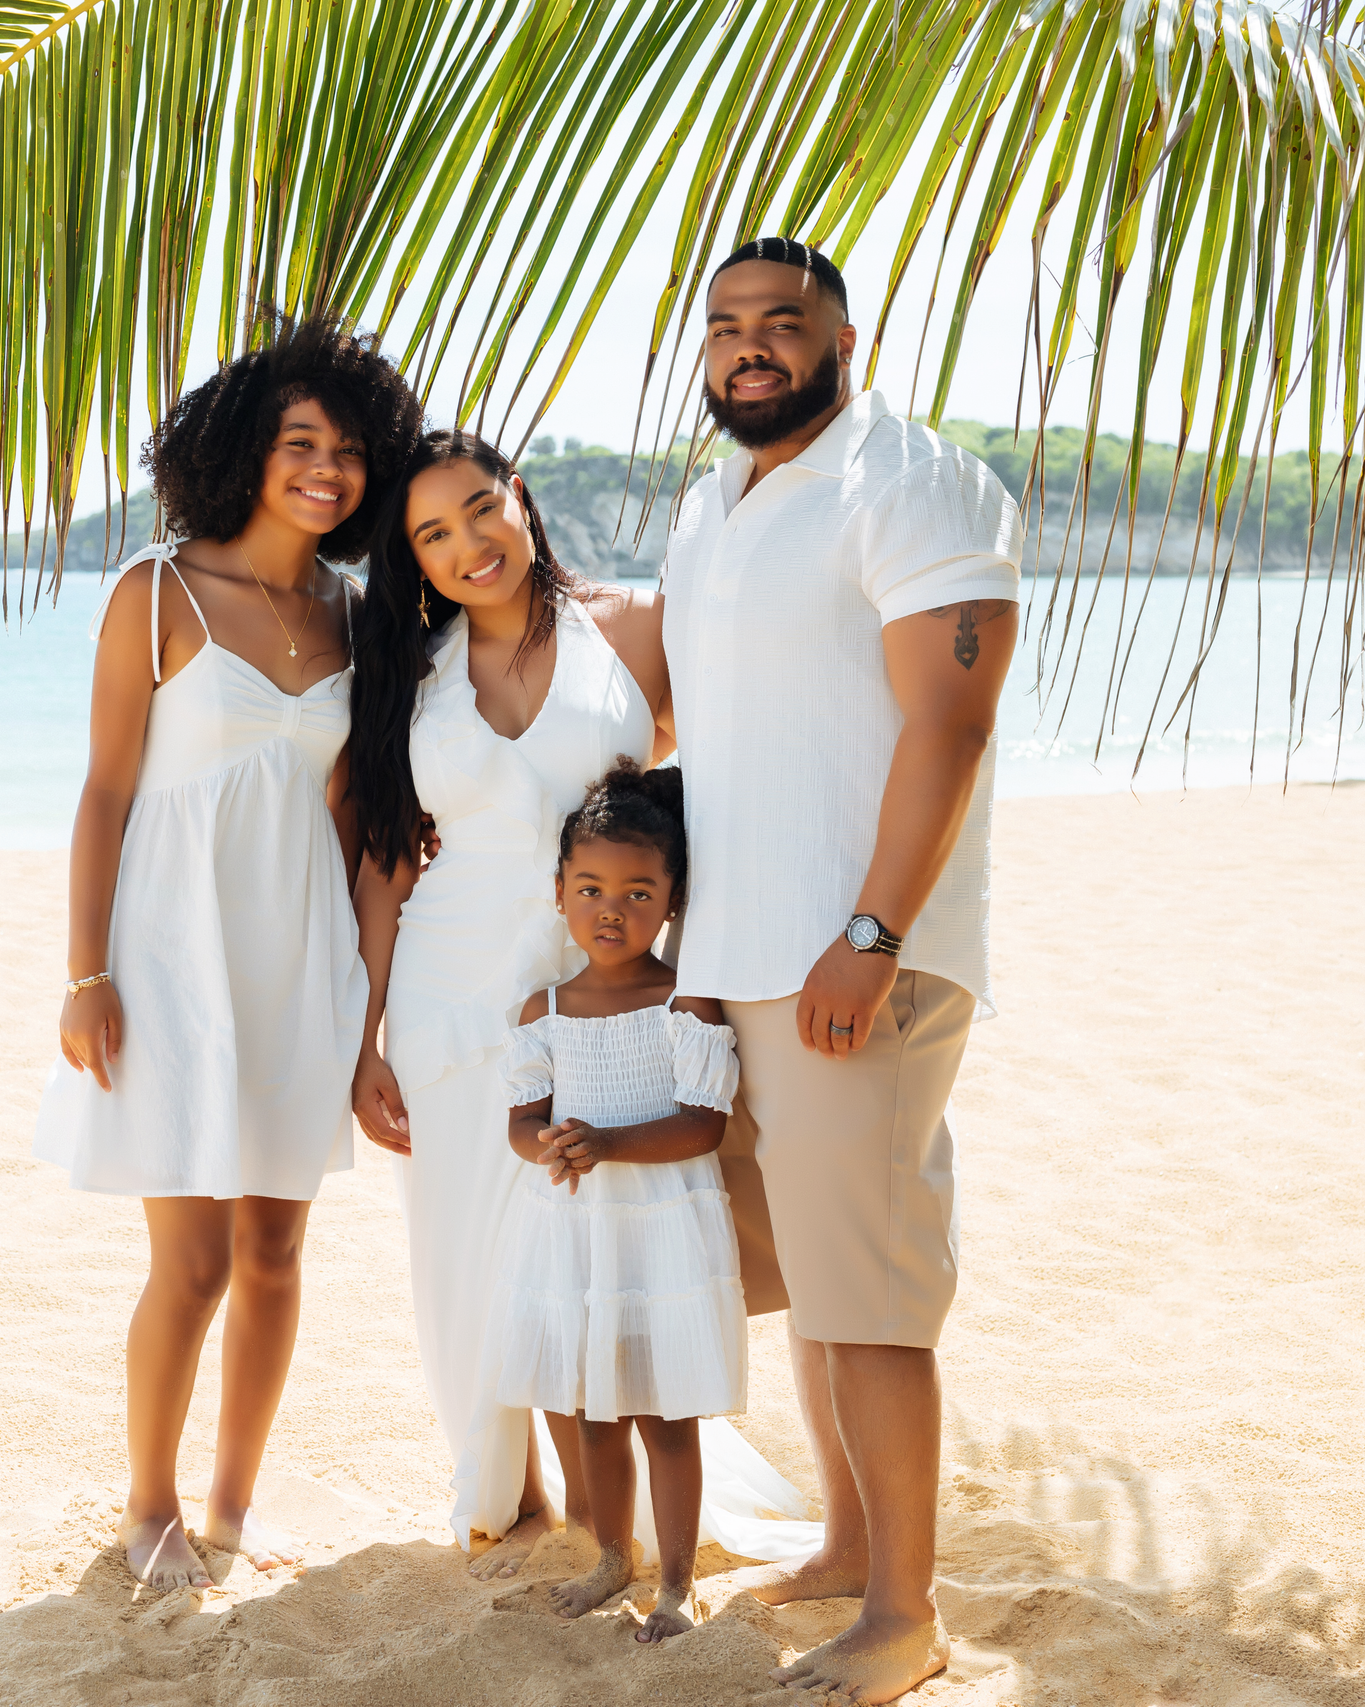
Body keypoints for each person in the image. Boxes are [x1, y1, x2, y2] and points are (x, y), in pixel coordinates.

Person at [348, 431, 819, 1578]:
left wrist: (700, 975)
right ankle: (507, 1492)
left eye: (478, 510)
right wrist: (365, 1037)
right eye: (432, 535)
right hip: (446, 996)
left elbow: (724, 786)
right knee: (467, 1250)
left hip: (601, 993)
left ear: (520, 498)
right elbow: (384, 862)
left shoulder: (633, 630)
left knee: (599, 1233)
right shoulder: (413, 673)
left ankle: (629, 1514)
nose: (468, 545)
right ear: (411, 559)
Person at [663, 236, 1021, 1703]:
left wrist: (871, 933)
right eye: (728, 327)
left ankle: (902, 1611)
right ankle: (842, 1542)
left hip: (859, 955)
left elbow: (950, 722)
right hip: (743, 954)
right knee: (813, 1278)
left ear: (844, 338)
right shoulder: (715, 503)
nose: (752, 347)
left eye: (783, 323)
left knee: (868, 1291)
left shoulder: (913, 482)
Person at [32, 316, 423, 1594]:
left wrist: (369, 1022)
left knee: (273, 1256)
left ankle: (233, 1511)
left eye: (349, 450)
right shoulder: (159, 592)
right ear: (246, 451)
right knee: (189, 1263)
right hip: (169, 957)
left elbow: (367, 833)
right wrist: (84, 974)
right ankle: (147, 1509)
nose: (326, 469)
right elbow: (101, 796)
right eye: (299, 442)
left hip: (298, 959)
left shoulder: (361, 621)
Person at [493, 760, 743, 1644]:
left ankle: (676, 1581)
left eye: (640, 892)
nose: (613, 909)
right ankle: (610, 1553)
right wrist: (549, 1142)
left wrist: (609, 1142)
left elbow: (703, 1124)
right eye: (591, 887)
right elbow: (523, 1119)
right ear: (559, 890)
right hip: (573, 1235)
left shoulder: (685, 999)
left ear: (673, 899)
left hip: (662, 1232)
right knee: (588, 1401)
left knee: (665, 1409)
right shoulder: (545, 1007)